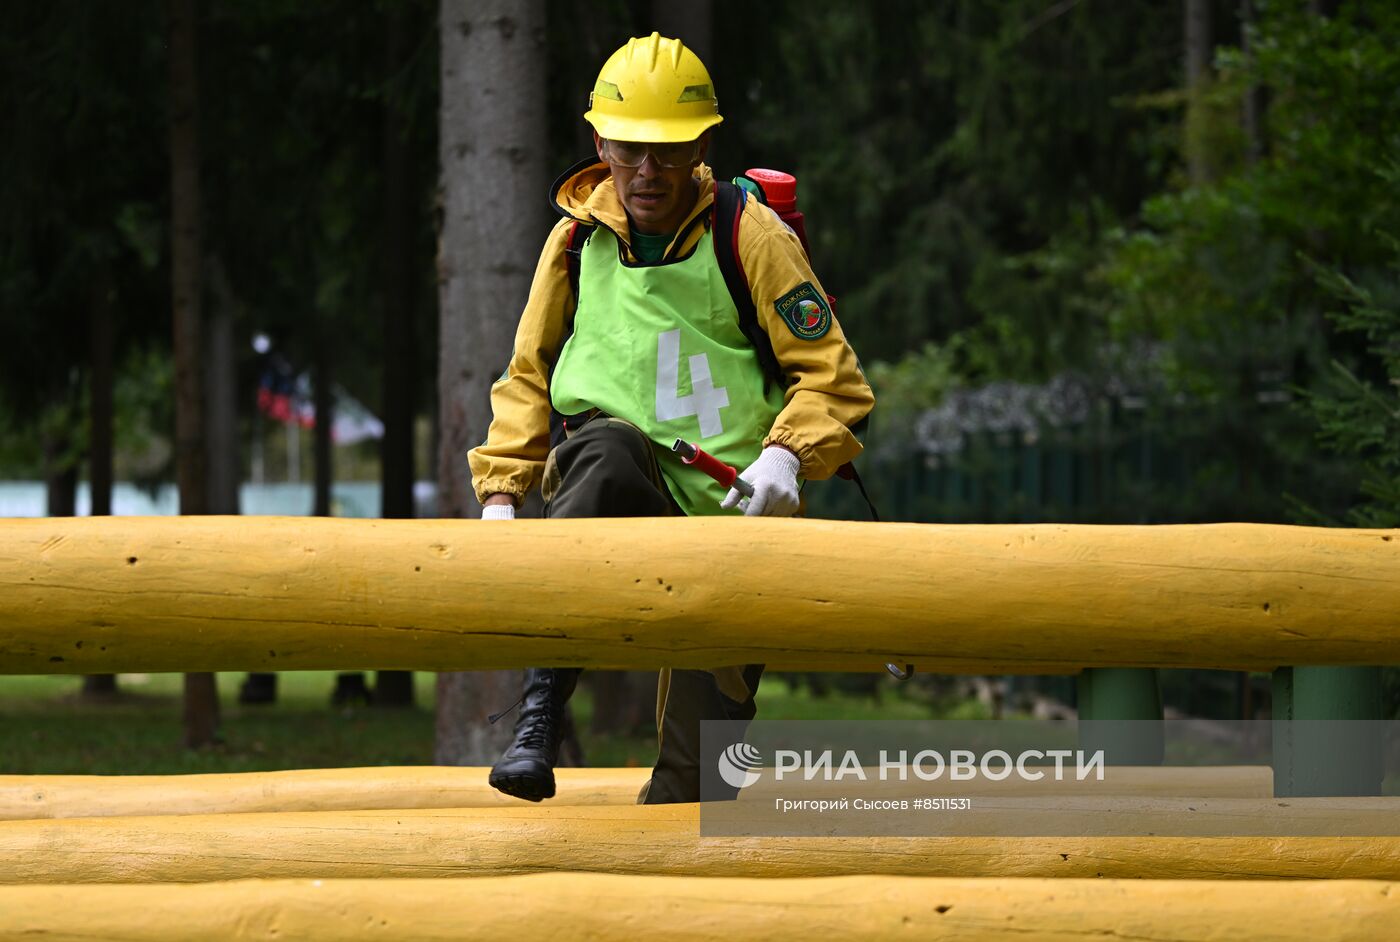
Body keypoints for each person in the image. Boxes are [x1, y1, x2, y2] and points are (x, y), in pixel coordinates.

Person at [468, 32, 874, 804]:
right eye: (627, 149)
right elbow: (529, 375)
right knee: (604, 452)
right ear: (599, 142)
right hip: (622, 482)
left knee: (696, 791)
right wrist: (500, 497)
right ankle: (539, 717)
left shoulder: (751, 234)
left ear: (703, 145)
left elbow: (833, 376)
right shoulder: (573, 242)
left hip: (735, 520)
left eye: (668, 149)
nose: (646, 171)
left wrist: (786, 457)